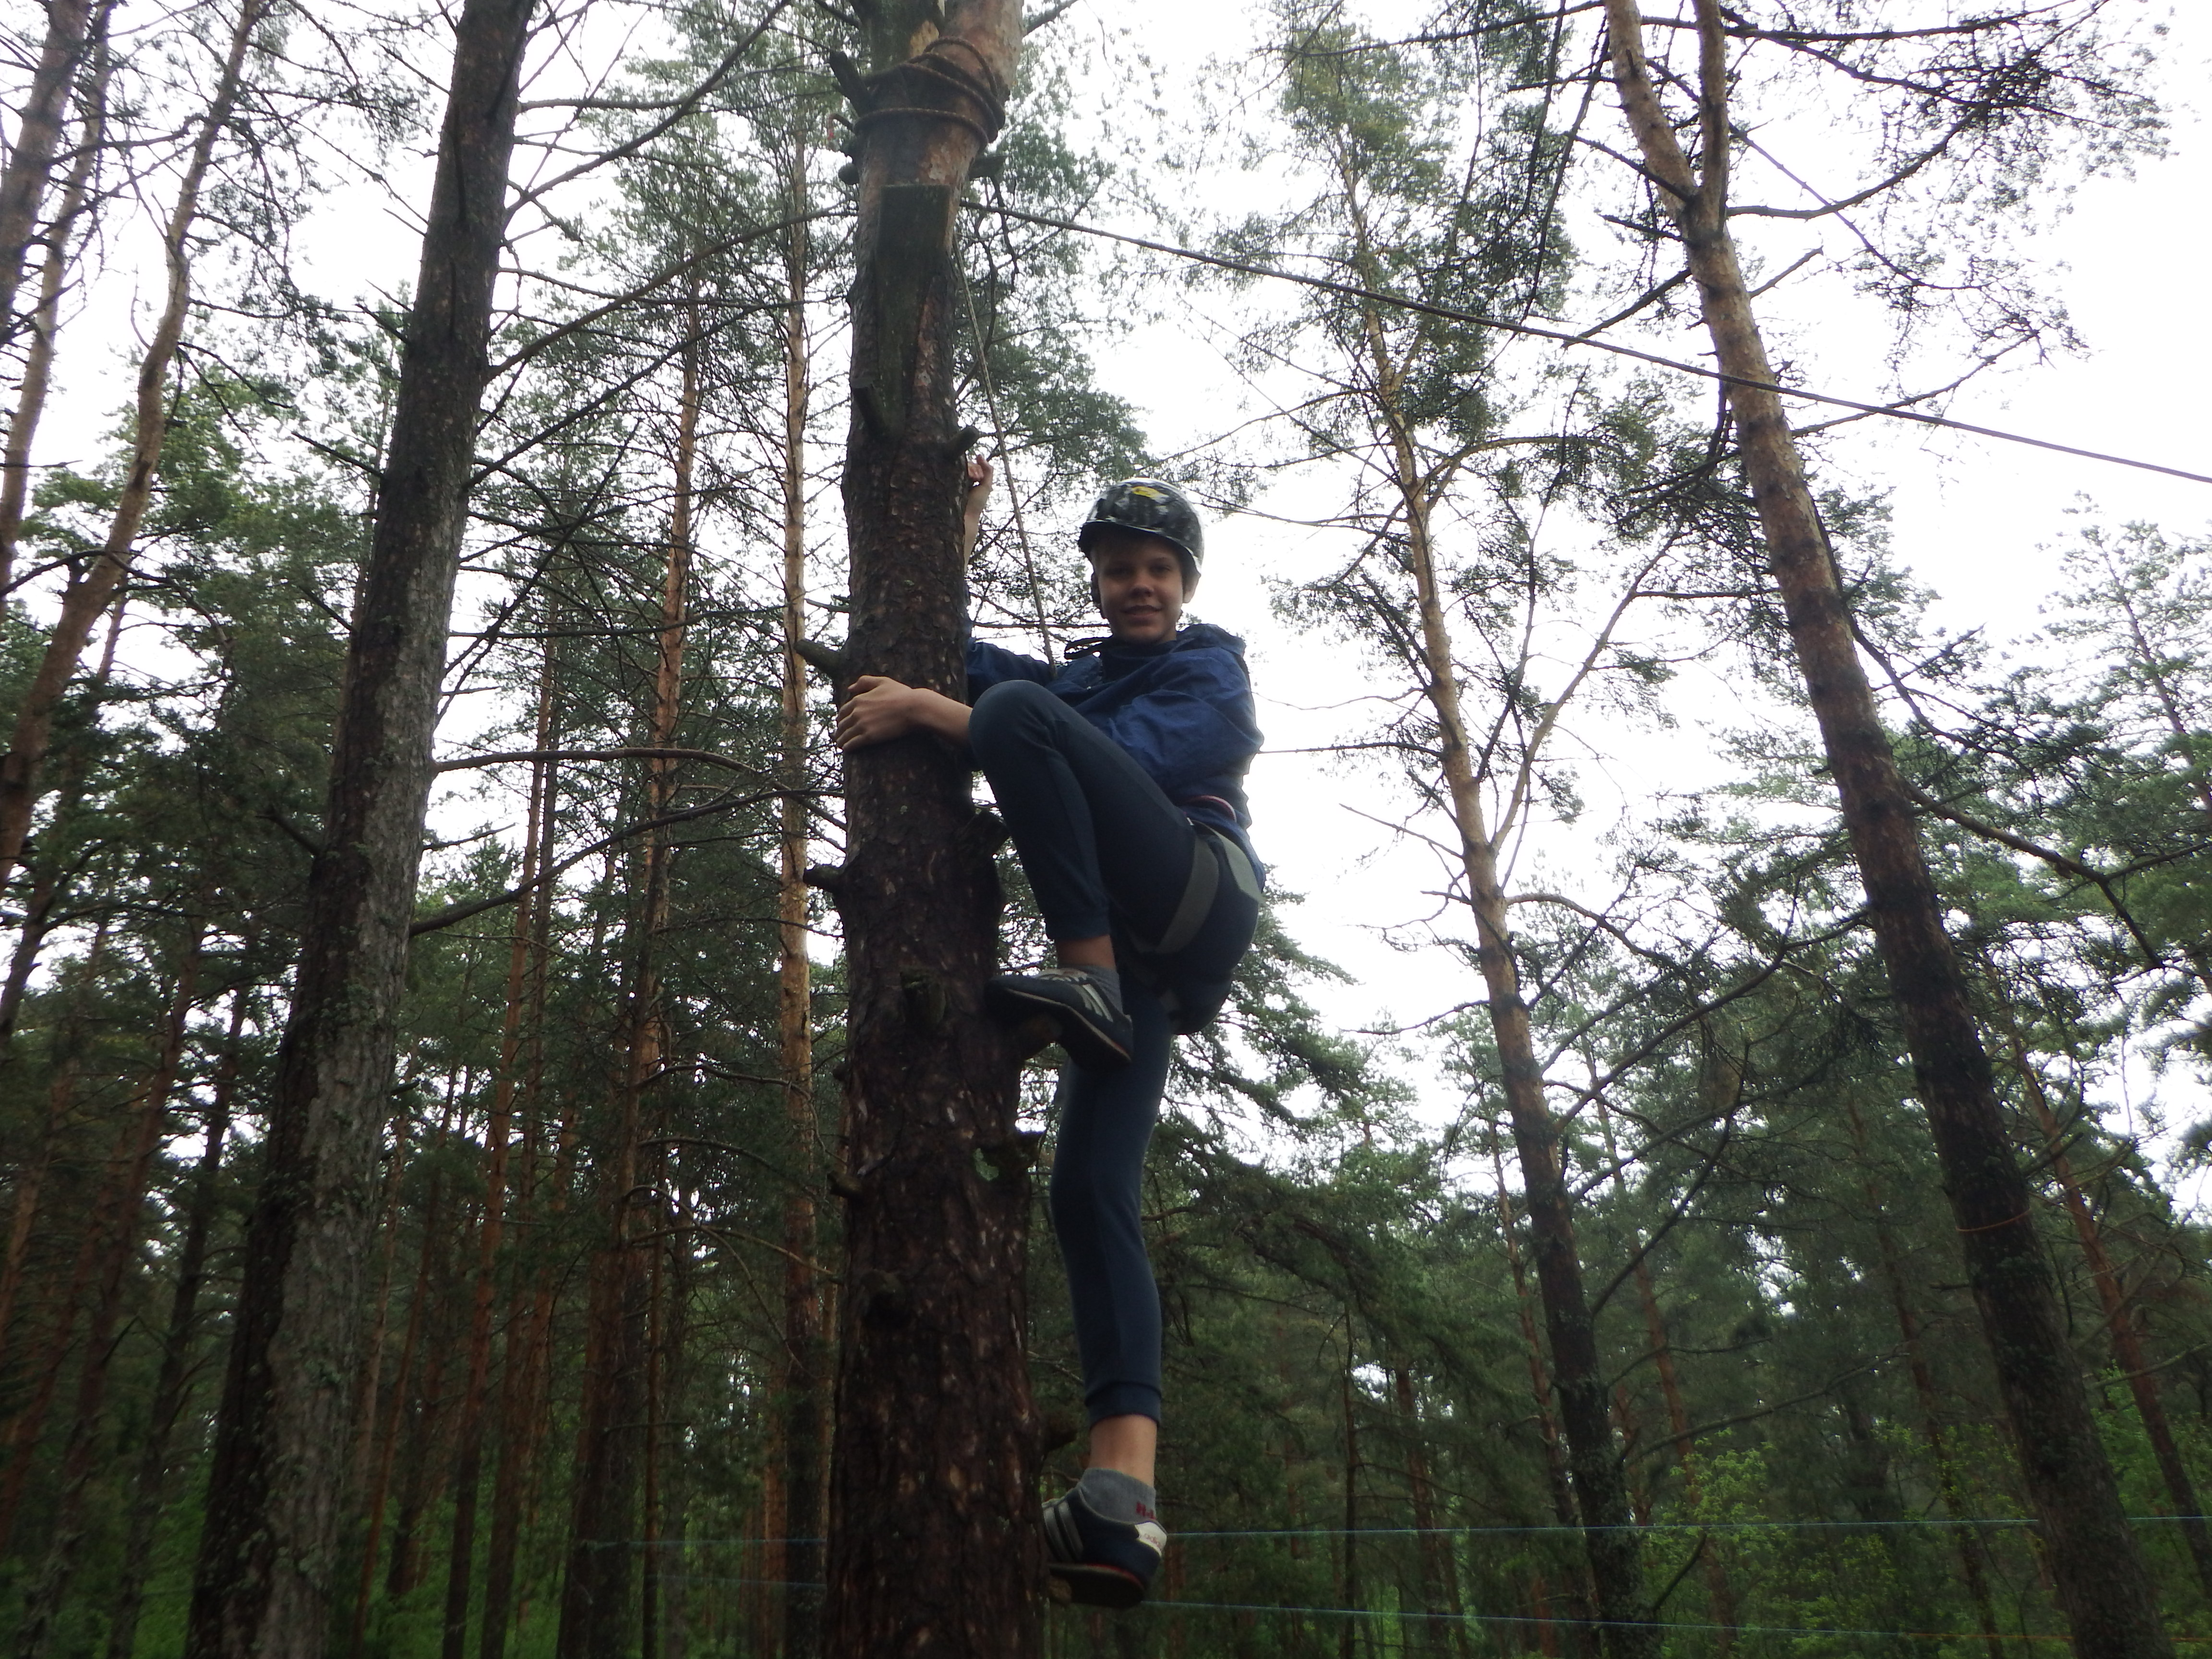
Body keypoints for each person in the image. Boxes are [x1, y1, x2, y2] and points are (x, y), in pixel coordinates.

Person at [832, 464, 1263, 1609]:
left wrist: (933, 716)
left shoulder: (1209, 668)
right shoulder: (1076, 679)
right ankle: (1124, 1499)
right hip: (1140, 970)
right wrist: (953, 530)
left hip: (1194, 887)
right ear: (1099, 582)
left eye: (1157, 569)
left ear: (1185, 582)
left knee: (1022, 719)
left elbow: (1121, 752)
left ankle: (1089, 983)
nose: (1137, 586)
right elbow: (951, 654)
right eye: (1119, 570)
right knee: (1088, 1194)